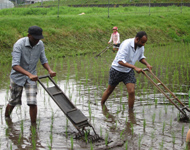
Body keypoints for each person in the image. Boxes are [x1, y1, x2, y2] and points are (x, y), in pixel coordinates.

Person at [5, 26, 56, 124]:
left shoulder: (40, 44)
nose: (37, 41)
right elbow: (15, 65)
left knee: (32, 102)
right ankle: (7, 119)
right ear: (29, 36)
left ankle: (33, 126)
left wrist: (50, 70)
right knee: (14, 101)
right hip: (17, 77)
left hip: (31, 79)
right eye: (35, 38)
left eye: (39, 38)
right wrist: (29, 74)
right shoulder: (19, 44)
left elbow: (43, 59)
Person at [101, 31, 152, 110]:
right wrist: (135, 67)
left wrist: (147, 64)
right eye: (142, 42)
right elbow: (120, 61)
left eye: (144, 43)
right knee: (109, 90)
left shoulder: (141, 46)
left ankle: (131, 113)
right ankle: (102, 105)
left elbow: (141, 57)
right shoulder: (126, 44)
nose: (143, 44)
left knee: (131, 91)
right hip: (116, 70)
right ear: (137, 39)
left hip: (128, 71)